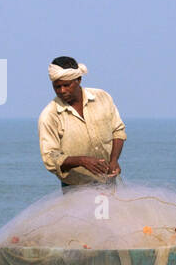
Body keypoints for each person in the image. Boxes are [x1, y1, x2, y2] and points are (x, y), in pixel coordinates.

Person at [37, 57, 126, 188]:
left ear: (78, 80)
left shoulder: (102, 97)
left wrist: (113, 161)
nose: (62, 90)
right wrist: (82, 161)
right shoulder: (49, 115)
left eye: (66, 85)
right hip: (75, 188)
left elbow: (118, 131)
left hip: (109, 182)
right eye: (57, 87)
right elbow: (50, 157)